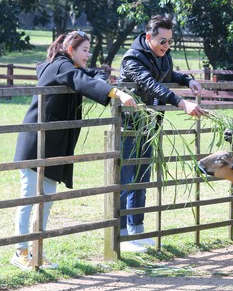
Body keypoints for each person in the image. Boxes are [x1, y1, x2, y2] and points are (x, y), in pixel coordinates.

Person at [11, 30, 138, 270]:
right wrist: (115, 92)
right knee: (29, 199)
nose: (88, 55)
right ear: (70, 50)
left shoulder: (64, 66)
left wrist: (105, 79)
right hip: (35, 146)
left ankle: (37, 251)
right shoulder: (60, 66)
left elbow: (87, 74)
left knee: (45, 201)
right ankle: (20, 251)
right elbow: (81, 80)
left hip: (51, 146)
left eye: (89, 50)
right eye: (84, 50)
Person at [118, 15, 206, 253]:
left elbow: (168, 76)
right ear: (149, 37)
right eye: (163, 41)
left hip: (150, 126)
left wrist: (188, 81)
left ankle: (136, 230)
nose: (167, 46)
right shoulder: (132, 59)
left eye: (170, 42)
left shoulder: (162, 55)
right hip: (129, 126)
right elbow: (151, 85)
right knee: (126, 181)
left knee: (142, 179)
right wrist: (181, 103)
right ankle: (121, 235)